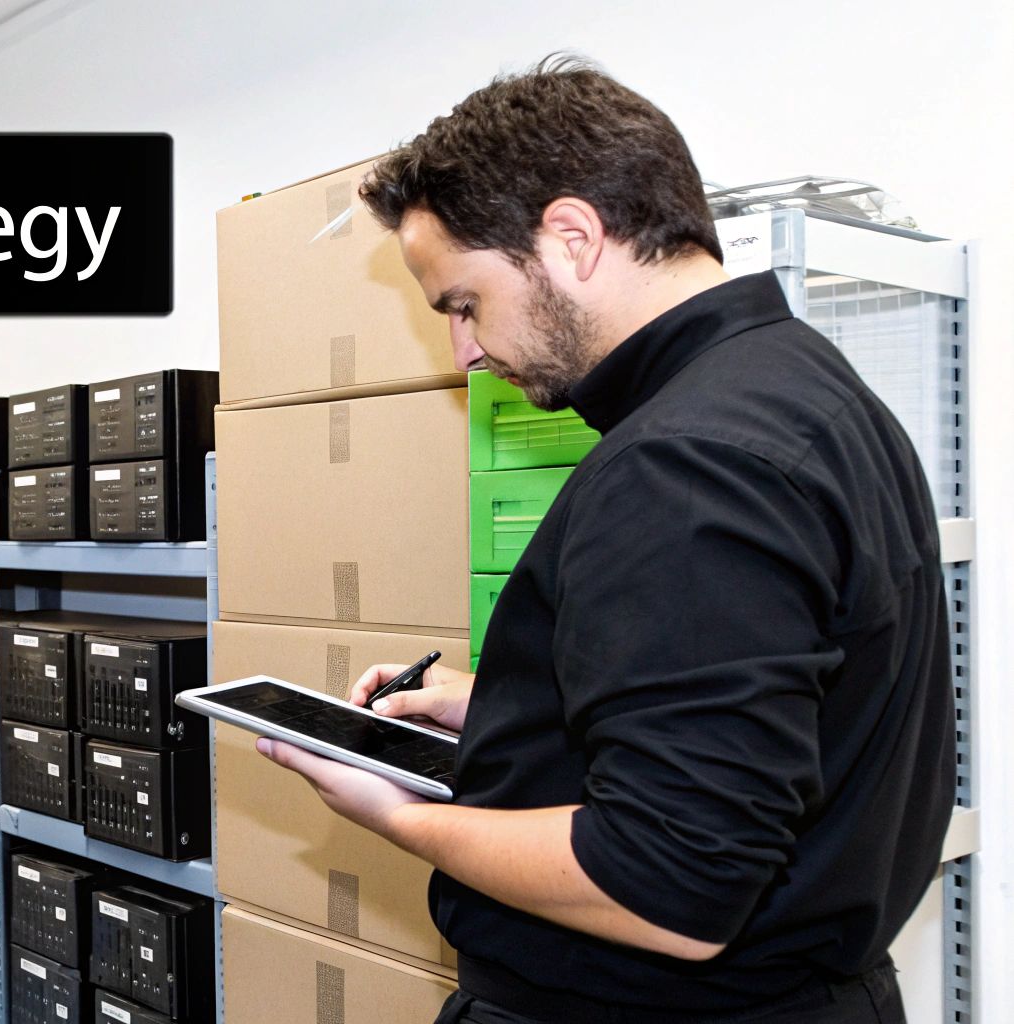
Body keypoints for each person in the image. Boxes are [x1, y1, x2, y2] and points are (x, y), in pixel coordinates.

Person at [257, 55, 953, 1023]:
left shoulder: (682, 464)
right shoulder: (803, 389)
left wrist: (409, 815)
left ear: (572, 237)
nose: (464, 352)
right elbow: (781, 720)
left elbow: (666, 883)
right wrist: (512, 708)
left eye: (462, 302)